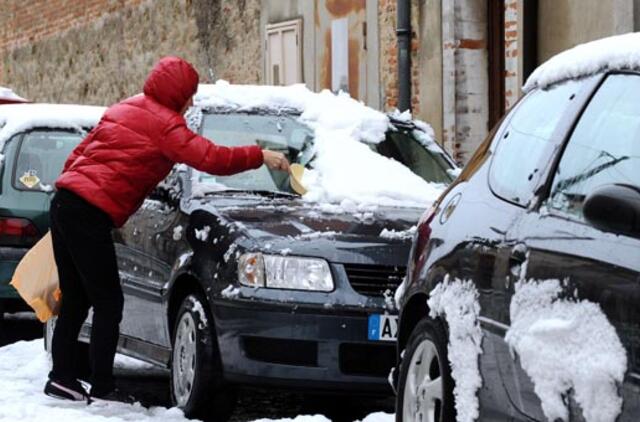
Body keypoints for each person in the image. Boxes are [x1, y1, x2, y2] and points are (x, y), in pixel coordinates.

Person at [44, 56, 290, 404]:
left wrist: (76, 192)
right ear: (177, 94)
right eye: (189, 94)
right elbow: (210, 158)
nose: (191, 101)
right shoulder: (166, 125)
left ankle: (62, 378)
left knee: (78, 298)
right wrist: (259, 155)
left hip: (66, 201)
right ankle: (100, 387)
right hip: (88, 213)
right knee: (108, 301)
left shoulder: (126, 107)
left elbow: (79, 156)